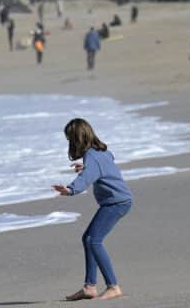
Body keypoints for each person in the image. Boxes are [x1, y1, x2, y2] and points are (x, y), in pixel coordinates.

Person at [52, 118, 133, 301]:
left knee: (94, 240)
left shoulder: (92, 157)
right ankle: (90, 287)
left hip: (116, 202)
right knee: (88, 239)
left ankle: (113, 286)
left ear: (77, 138)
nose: (69, 143)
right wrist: (85, 167)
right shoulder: (102, 152)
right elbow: (102, 167)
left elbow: (87, 177)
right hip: (119, 200)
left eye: (69, 139)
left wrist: (70, 189)